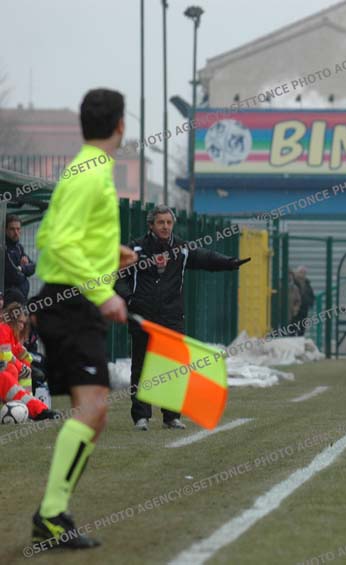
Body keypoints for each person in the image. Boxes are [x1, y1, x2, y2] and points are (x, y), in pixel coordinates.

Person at [30, 88, 138, 549]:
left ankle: (53, 513)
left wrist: (110, 252)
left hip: (70, 302)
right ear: (121, 125)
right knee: (92, 410)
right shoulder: (90, 174)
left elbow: (53, 235)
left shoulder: (87, 168)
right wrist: (103, 293)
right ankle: (52, 515)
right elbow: (57, 244)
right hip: (71, 304)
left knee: (94, 413)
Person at [117, 205, 250, 431]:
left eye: (169, 223)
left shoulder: (181, 248)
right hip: (143, 316)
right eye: (161, 222)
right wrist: (129, 298)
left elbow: (205, 258)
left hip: (172, 317)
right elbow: (117, 275)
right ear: (151, 225)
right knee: (141, 366)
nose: (165, 227)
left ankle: (171, 417)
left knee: (174, 367)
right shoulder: (135, 248)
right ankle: (141, 416)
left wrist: (228, 262)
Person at [4, 215, 36, 300]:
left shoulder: (19, 247)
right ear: (5, 230)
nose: (16, 232)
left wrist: (21, 268)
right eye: (12, 229)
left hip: (22, 297)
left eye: (18, 229)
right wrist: (24, 270)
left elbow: (34, 267)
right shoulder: (3, 248)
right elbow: (14, 276)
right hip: (9, 298)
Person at [293, 266, 315, 336]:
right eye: (301, 272)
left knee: (302, 328)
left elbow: (311, 295)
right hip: (294, 310)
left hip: (304, 309)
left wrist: (310, 303)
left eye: (304, 273)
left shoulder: (307, 284)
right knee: (292, 327)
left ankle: (300, 338)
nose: (302, 274)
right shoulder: (293, 283)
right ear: (297, 273)